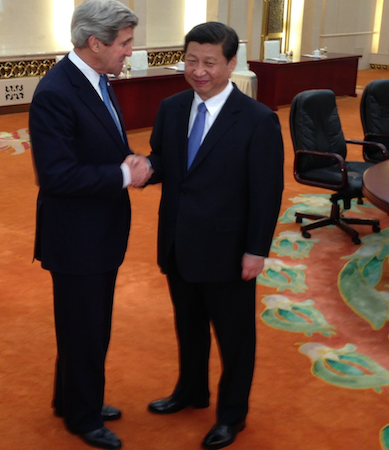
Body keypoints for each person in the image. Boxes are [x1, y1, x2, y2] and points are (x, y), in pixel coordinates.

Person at [144, 22, 284, 450]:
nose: (198, 71)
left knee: (235, 338)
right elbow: (165, 162)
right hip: (179, 242)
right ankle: (191, 391)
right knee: (188, 326)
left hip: (228, 250)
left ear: (231, 63)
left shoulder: (258, 120)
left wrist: (256, 250)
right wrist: (140, 169)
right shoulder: (170, 107)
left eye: (209, 62)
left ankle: (231, 415)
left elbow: (267, 192)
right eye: (191, 60)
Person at [28, 1, 149, 449]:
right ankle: (83, 417)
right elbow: (57, 175)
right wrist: (124, 174)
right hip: (76, 236)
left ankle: (70, 398)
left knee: (89, 323)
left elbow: (99, 142)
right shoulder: (56, 91)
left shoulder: (97, 79)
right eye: (124, 43)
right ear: (95, 43)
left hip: (97, 229)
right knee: (84, 327)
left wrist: (130, 161)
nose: (129, 52)